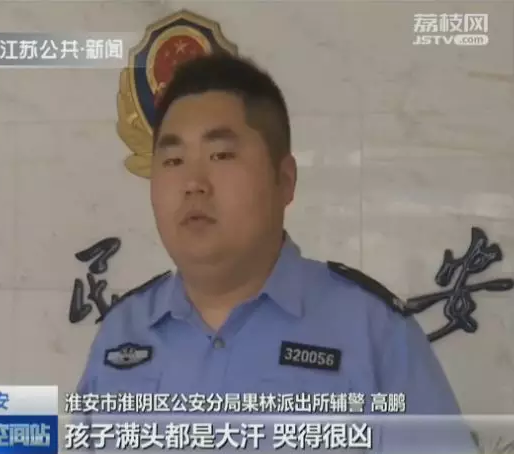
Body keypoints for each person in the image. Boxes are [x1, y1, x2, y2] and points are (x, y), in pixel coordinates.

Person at [76, 53, 477, 453]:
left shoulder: (373, 333)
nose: (193, 183)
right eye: (173, 160)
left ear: (284, 180)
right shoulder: (121, 334)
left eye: (221, 155)